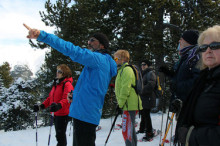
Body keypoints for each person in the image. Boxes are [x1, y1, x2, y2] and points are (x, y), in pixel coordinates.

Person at [24, 24, 117, 146]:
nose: (88, 42)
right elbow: (94, 88)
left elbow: (72, 50)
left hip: (84, 113)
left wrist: (42, 36)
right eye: (88, 40)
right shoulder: (103, 63)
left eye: (92, 40)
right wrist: (75, 95)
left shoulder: (98, 59)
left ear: (102, 45)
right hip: (87, 112)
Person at [174, 25, 220, 146]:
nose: (208, 50)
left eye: (215, 46)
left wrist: (191, 136)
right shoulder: (205, 78)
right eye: (203, 47)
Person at [33, 64, 74, 146]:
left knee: (60, 136)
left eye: (60, 71)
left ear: (64, 73)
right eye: (57, 71)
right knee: (59, 136)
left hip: (63, 114)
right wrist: (41, 106)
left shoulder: (67, 84)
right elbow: (50, 98)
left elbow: (67, 99)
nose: (57, 73)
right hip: (56, 114)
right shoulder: (56, 84)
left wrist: (58, 106)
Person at [159, 29, 200, 108]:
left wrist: (178, 86)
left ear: (188, 41)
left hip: (191, 103)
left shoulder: (196, 56)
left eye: (182, 39)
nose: (179, 40)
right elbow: (181, 76)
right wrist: (169, 73)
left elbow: (197, 81)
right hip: (182, 102)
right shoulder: (185, 56)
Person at [114, 50, 143, 146]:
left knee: (126, 132)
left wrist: (120, 104)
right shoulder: (121, 70)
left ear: (123, 59)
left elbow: (125, 89)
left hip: (129, 105)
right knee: (130, 131)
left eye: (116, 58)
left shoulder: (127, 70)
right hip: (128, 104)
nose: (115, 60)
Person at [137, 60, 157, 141]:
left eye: (144, 64)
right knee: (143, 114)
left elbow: (151, 84)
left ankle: (149, 132)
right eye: (141, 64)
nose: (142, 66)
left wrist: (141, 90)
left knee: (146, 115)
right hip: (143, 98)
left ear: (148, 65)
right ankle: (142, 129)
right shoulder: (143, 73)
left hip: (148, 97)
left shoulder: (150, 73)